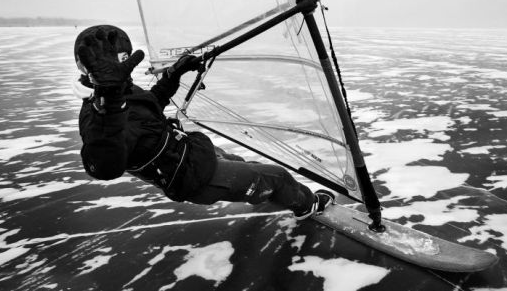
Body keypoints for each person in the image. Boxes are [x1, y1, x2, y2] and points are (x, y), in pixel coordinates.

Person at [73, 24, 334, 219]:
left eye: (123, 58)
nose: (123, 64)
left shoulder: (123, 92)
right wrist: (109, 96)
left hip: (192, 154)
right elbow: (104, 167)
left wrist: (174, 74)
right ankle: (308, 206)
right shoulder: (99, 113)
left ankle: (266, 192)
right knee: (277, 177)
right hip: (193, 177)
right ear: (92, 67)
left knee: (247, 165)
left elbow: (150, 104)